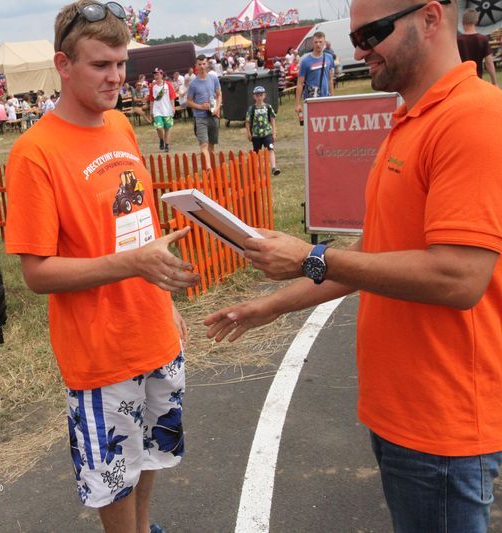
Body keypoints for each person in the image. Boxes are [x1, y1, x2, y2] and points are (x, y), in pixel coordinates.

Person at [206, 1, 502, 530]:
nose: (359, 49)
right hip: (403, 409)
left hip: (443, 417)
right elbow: (377, 250)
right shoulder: (412, 117)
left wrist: (311, 256)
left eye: (374, 33)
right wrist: (273, 305)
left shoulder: (473, 118)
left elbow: (460, 277)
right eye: (356, 35)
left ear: (431, 18)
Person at [4, 2, 199, 531]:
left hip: (155, 333)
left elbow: (137, 224)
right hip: (100, 352)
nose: (116, 76)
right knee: (115, 473)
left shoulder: (119, 125)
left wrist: (163, 303)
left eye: (121, 62)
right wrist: (131, 264)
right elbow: (38, 272)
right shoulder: (35, 153)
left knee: (152, 456)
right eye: (100, 65)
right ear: (63, 65)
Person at [186, 54, 222, 165]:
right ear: (196, 66)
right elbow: (189, 101)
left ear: (207, 64)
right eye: (200, 64)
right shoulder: (193, 84)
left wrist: (217, 108)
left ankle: (211, 167)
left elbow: (219, 94)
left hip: (213, 116)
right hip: (200, 118)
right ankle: (209, 169)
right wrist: (200, 107)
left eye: (204, 64)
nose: (202, 66)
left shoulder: (213, 78)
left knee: (211, 145)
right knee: (204, 145)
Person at [295, 31, 335, 123]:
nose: (318, 44)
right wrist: (297, 104)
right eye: (316, 42)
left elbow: (330, 79)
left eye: (320, 42)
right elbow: (300, 83)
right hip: (312, 98)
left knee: (327, 124)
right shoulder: (305, 61)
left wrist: (333, 98)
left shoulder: (329, 58)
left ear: (324, 43)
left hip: (326, 97)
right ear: (312, 43)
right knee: (313, 125)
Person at [245, 86, 280, 176]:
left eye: (261, 95)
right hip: (256, 135)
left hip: (267, 133)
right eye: (257, 95)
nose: (259, 97)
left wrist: (274, 132)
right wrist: (248, 133)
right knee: (256, 152)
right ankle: (257, 170)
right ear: (254, 97)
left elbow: (272, 119)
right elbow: (247, 121)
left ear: (264, 95)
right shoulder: (251, 109)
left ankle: (273, 167)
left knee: (270, 149)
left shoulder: (268, 107)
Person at [458, 8, 498, 86]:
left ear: (462, 22)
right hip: (477, 79)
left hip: (461, 82)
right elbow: (489, 62)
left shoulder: (457, 41)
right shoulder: (483, 39)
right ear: (476, 22)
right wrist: (494, 82)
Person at [148, 68, 176, 152]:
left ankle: (166, 145)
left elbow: (172, 97)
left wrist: (173, 107)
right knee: (159, 127)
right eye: (154, 74)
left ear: (161, 75)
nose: (156, 76)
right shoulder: (152, 86)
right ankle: (161, 140)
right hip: (157, 110)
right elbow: (151, 99)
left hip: (167, 109)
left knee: (167, 128)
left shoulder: (168, 84)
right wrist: (151, 110)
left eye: (157, 74)